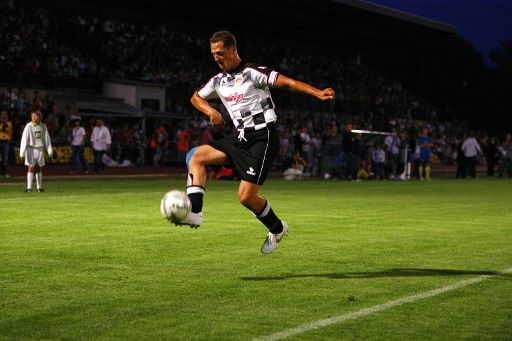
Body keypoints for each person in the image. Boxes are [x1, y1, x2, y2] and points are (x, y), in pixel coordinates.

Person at [181, 31, 335, 254]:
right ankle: (195, 212)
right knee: (196, 156)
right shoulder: (218, 80)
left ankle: (278, 228)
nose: (216, 57)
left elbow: (288, 83)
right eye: (213, 54)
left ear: (233, 49)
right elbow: (196, 97)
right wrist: (211, 111)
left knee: (245, 197)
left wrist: (317, 92)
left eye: (220, 53)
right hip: (239, 137)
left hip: (263, 138)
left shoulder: (252, 72)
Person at [19, 111, 53, 192]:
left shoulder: (43, 126)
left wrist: (49, 150)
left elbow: (47, 138)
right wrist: (22, 152)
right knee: (30, 167)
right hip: (31, 149)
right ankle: (29, 188)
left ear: (39, 117)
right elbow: (24, 139)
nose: (33, 118)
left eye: (35, 116)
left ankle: (39, 188)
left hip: (40, 149)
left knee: (39, 168)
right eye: (32, 116)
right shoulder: (28, 126)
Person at [0, 111, 13, 178]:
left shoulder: (9, 124)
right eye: (2, 115)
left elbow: (10, 133)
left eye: (5, 115)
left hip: (5, 143)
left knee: (4, 159)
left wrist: (9, 138)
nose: (4, 116)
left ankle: (3, 174)